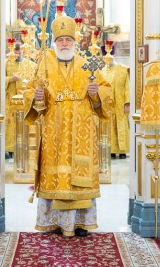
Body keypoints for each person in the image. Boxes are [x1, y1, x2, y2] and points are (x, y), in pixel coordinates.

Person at [24, 15, 111, 237]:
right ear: (55, 42)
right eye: (60, 40)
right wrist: (36, 97)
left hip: (82, 129)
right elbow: (32, 92)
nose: (64, 44)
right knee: (55, 175)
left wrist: (96, 94)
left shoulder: (86, 64)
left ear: (74, 42)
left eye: (68, 40)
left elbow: (106, 91)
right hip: (54, 129)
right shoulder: (44, 64)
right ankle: (53, 221)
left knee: (79, 177)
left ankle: (81, 223)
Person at [5, 43, 35, 158]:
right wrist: (11, 79)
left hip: (24, 99)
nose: (17, 55)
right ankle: (9, 149)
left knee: (23, 122)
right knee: (10, 123)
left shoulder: (30, 64)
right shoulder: (7, 63)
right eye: (15, 52)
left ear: (23, 51)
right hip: (10, 98)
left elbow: (34, 80)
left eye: (19, 52)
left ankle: (23, 148)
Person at [100, 47, 130, 159]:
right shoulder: (101, 71)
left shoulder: (123, 69)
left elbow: (127, 86)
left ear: (114, 56)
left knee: (121, 125)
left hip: (121, 103)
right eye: (105, 57)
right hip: (107, 104)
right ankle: (112, 151)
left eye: (110, 57)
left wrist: (127, 103)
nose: (108, 59)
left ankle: (123, 151)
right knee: (110, 126)